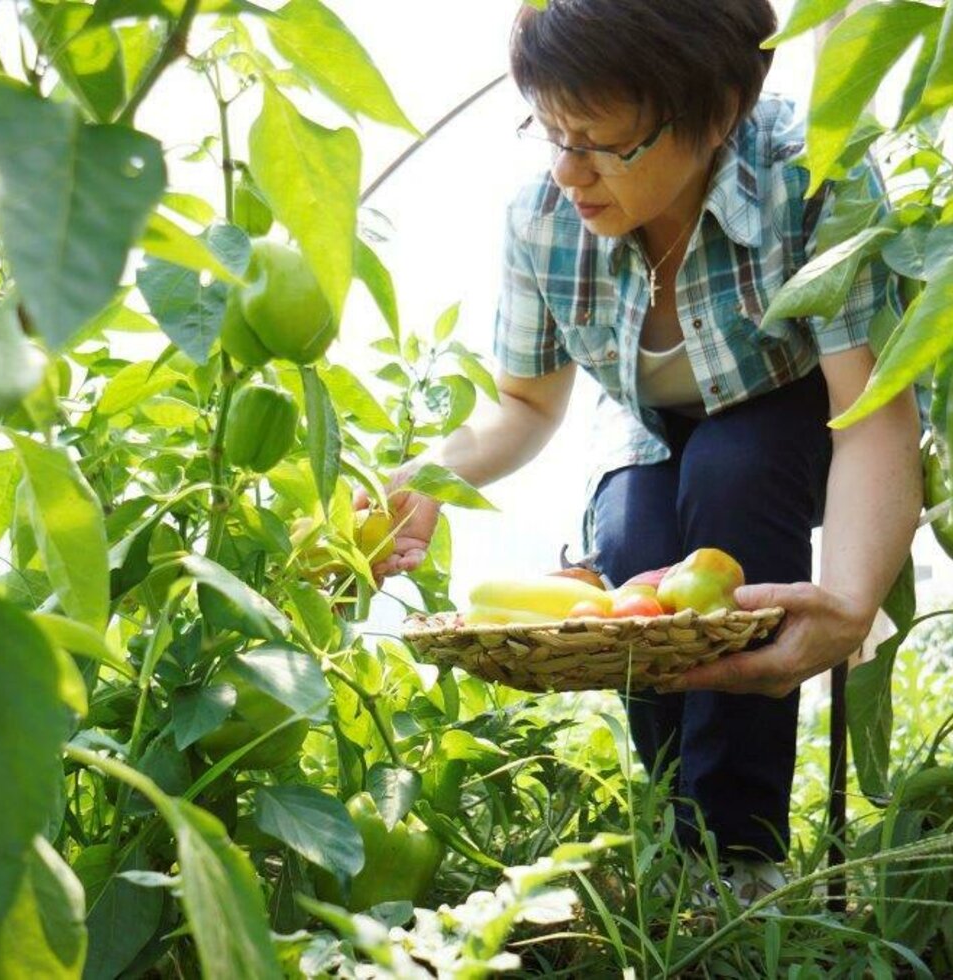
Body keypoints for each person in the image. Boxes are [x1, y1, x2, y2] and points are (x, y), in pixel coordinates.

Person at [371, 0, 922, 901]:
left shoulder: (815, 174)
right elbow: (523, 405)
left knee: (731, 474)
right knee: (633, 549)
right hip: (650, 425)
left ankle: (742, 856)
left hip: (798, 414)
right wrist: (424, 480)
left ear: (718, 115)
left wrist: (851, 605)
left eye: (599, 142)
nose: (567, 169)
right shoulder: (545, 218)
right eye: (549, 131)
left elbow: (868, 411)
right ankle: (685, 848)